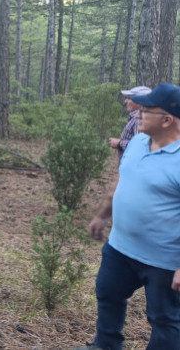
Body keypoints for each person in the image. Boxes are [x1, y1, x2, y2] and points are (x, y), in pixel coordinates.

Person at [77, 82, 180, 350]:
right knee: (108, 293)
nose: (137, 114)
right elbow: (121, 180)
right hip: (120, 247)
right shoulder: (137, 142)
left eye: (146, 111)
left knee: (164, 320)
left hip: (164, 260)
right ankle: (105, 345)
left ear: (167, 120)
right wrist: (101, 216)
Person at [108, 86, 151, 160]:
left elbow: (141, 145)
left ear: (140, 101)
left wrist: (119, 143)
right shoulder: (137, 117)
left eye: (129, 98)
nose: (125, 101)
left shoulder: (139, 119)